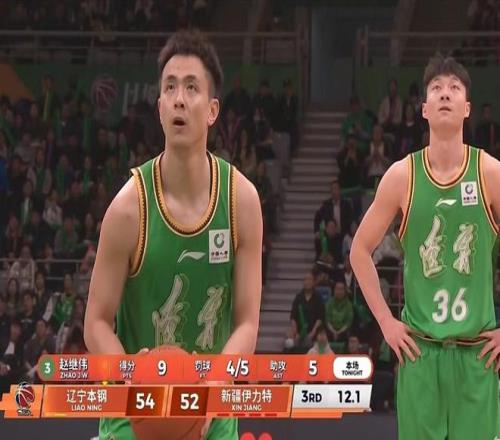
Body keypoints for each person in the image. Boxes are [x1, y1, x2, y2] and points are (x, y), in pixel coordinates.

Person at [84, 30, 263, 440]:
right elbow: (95, 322)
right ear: (160, 107)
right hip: (136, 412)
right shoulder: (128, 209)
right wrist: (132, 375)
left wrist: (213, 386)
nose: (179, 98)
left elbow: (247, 324)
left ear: (213, 110)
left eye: (191, 87)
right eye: (170, 87)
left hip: (211, 414)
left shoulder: (242, 202)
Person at [350, 54, 500, 439]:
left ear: (467, 108)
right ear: (424, 109)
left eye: (454, 88)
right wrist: (386, 322)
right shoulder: (402, 176)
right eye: (436, 88)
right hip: (420, 352)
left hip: (477, 355)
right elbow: (359, 250)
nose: (445, 93)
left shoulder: (489, 172)